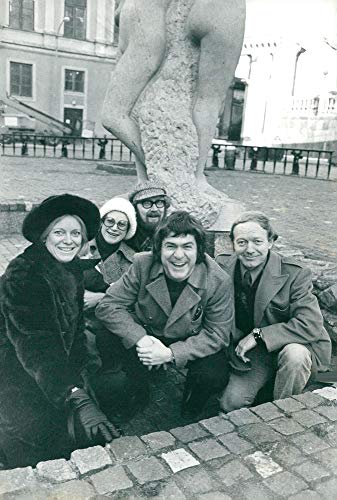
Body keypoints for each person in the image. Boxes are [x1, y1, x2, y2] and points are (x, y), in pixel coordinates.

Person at [0, 194, 119, 469]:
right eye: (59, 232)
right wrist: (74, 392)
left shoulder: (70, 268)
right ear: (44, 237)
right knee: (38, 452)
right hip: (14, 370)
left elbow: (75, 328)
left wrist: (81, 374)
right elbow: (36, 344)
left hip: (51, 372)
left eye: (75, 233)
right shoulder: (25, 273)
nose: (69, 240)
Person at [96, 211, 234, 418]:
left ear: (199, 252)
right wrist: (140, 339)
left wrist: (171, 354)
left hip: (190, 338)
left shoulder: (218, 280)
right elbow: (108, 305)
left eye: (187, 247)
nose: (178, 256)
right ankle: (136, 390)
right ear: (159, 250)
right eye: (171, 246)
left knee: (213, 374)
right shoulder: (143, 264)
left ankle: (192, 404)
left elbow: (218, 334)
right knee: (107, 337)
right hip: (149, 334)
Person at [216, 211, 332, 413]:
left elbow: (310, 324)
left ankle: (280, 412)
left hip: (294, 346)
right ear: (232, 244)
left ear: (270, 242)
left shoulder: (295, 273)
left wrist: (259, 335)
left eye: (257, 242)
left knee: (295, 356)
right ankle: (266, 386)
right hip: (255, 353)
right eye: (242, 242)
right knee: (230, 404)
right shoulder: (223, 266)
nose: (249, 249)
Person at [81, 197, 137, 417]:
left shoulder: (132, 260)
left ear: (128, 230)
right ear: (101, 222)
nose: (114, 228)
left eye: (121, 224)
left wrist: (100, 297)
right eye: (110, 221)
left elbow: (132, 300)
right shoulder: (82, 245)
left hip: (105, 326)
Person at [127, 180, 171, 252]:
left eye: (159, 202)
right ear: (135, 208)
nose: (154, 209)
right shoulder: (125, 237)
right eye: (147, 203)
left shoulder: (174, 235)